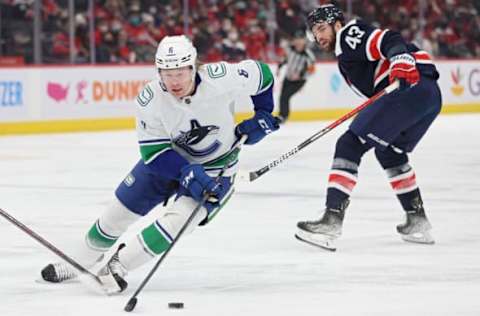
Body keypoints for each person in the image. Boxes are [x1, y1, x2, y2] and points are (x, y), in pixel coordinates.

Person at [40, 35, 279, 293]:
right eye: (167, 74)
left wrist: (263, 113)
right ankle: (78, 262)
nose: (174, 81)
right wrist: (185, 173)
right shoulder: (150, 98)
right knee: (116, 215)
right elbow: (153, 152)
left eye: (179, 73)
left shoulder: (221, 77)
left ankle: (118, 265)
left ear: (193, 67)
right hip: (165, 163)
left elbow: (263, 74)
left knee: (179, 221)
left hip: (216, 168)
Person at [295, 4, 442, 251]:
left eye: (321, 28)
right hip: (428, 95)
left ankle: (331, 219)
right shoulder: (345, 52)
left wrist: (400, 59)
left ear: (337, 24)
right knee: (390, 151)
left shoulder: (347, 36)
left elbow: (388, 38)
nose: (318, 37)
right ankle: (417, 220)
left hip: (408, 88)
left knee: (349, 144)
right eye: (314, 32)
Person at [277, 30, 316, 123]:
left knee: (285, 96)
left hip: (299, 81)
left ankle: (283, 116)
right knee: (282, 96)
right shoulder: (289, 49)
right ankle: (282, 115)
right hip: (288, 77)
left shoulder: (308, 55)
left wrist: (300, 75)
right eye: (296, 39)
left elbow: (312, 70)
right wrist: (279, 67)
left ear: (304, 41)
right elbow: (285, 58)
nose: (298, 42)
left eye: (300, 39)